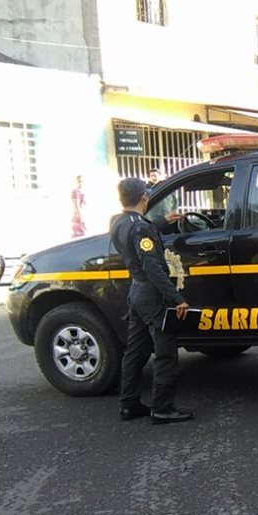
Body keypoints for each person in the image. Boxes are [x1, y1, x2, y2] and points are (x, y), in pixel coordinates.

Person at [110, 177, 194, 424]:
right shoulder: (141, 228)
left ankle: (129, 405)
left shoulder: (118, 222)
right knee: (165, 351)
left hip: (136, 293)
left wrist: (161, 222)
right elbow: (153, 267)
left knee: (134, 352)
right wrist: (176, 298)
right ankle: (162, 408)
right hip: (152, 296)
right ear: (145, 198)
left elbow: (137, 236)